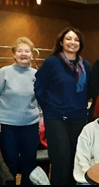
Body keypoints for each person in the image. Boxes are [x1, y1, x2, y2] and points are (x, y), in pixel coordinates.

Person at [34, 27, 91, 185]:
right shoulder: (52, 62)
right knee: (61, 158)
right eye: (68, 39)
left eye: (76, 39)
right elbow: (39, 88)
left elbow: (88, 90)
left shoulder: (85, 65)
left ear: (80, 44)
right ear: (61, 42)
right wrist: (49, 107)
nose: (72, 42)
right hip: (56, 118)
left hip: (78, 118)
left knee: (75, 158)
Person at [0, 37, 41, 185]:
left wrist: (40, 117)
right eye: (20, 51)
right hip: (7, 126)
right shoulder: (4, 72)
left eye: (27, 51)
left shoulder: (36, 74)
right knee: (10, 161)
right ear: (14, 54)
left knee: (29, 162)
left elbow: (40, 99)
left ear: (32, 54)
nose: (24, 54)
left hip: (30, 125)